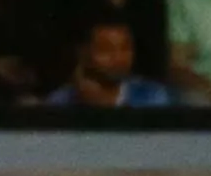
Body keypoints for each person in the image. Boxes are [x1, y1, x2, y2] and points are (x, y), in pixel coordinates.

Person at [43, 16, 175, 108]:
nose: (118, 58)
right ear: (83, 53)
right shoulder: (59, 101)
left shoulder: (153, 96)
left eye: (125, 48)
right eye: (106, 50)